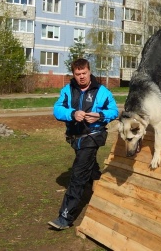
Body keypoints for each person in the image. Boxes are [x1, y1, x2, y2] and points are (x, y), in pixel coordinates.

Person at [48, 58, 118, 230]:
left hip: (93, 136)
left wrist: (100, 116)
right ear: (73, 74)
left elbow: (114, 111)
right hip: (74, 137)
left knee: (78, 175)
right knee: (89, 167)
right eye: (77, 74)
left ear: (89, 71)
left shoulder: (102, 91)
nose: (81, 77)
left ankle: (65, 217)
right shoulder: (67, 90)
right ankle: (100, 186)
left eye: (84, 73)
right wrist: (72, 113)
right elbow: (57, 109)